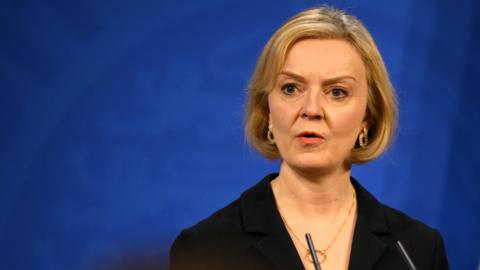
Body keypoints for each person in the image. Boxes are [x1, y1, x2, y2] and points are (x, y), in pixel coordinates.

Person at [169, 6, 449, 270]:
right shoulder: (206, 247)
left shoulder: (417, 250)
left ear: (368, 117)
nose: (311, 109)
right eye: (291, 88)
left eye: (337, 92)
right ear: (267, 110)